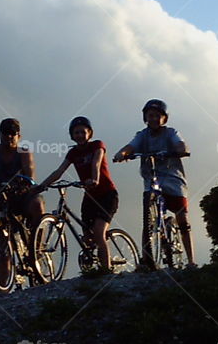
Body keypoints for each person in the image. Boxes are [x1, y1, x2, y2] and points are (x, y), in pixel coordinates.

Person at [113, 99, 197, 269]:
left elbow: (181, 144)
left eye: (157, 116)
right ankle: (147, 259)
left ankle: (191, 261)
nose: (153, 119)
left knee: (182, 218)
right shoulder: (142, 135)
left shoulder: (171, 132)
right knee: (148, 220)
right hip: (151, 179)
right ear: (145, 117)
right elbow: (131, 146)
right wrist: (122, 154)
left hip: (173, 180)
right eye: (150, 116)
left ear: (164, 119)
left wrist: (181, 150)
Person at [36, 116, 119, 270]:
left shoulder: (97, 145)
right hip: (90, 197)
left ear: (90, 133)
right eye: (76, 133)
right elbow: (59, 171)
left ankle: (106, 271)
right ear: (72, 136)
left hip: (107, 195)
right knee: (87, 237)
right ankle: (92, 267)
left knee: (99, 233)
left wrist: (94, 179)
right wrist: (42, 186)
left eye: (82, 132)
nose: (79, 135)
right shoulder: (73, 153)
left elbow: (96, 162)